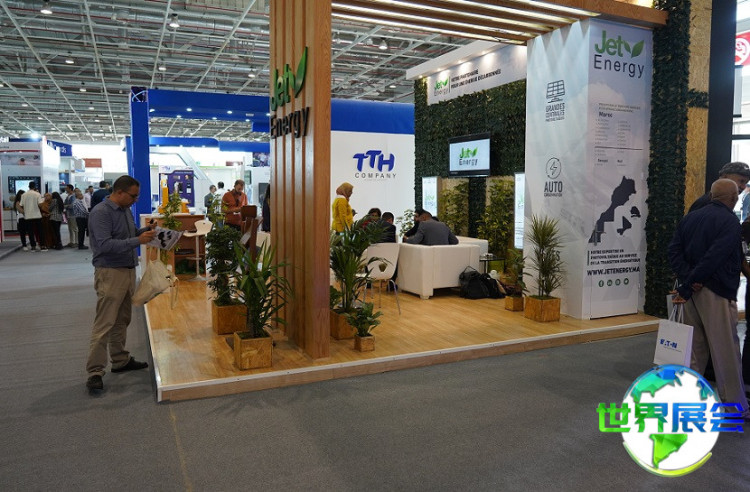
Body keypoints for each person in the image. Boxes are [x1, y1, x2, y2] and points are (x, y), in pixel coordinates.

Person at [668, 179, 749, 417]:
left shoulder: (690, 218)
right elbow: (715, 257)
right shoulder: (730, 221)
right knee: (725, 350)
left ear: (712, 196)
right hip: (716, 292)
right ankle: (735, 406)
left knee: (694, 351)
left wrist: (688, 282)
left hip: (690, 293)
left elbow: (673, 250)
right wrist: (695, 280)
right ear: (734, 198)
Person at [85, 175, 156, 391]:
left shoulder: (125, 210)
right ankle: (95, 371)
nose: (136, 200)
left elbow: (129, 234)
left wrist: (143, 231)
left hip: (127, 270)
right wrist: (137, 241)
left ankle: (120, 360)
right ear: (119, 192)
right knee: (105, 322)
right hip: (110, 272)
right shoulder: (101, 212)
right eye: (133, 196)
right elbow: (104, 245)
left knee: (122, 319)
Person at [18, 181, 46, 251]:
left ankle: (33, 247)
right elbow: (40, 204)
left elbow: (21, 205)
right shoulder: (37, 194)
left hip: (28, 216)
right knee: (40, 231)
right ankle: (42, 246)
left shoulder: (23, 195)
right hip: (37, 215)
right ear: (34, 187)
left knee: (30, 232)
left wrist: (25, 212)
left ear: (28, 186)